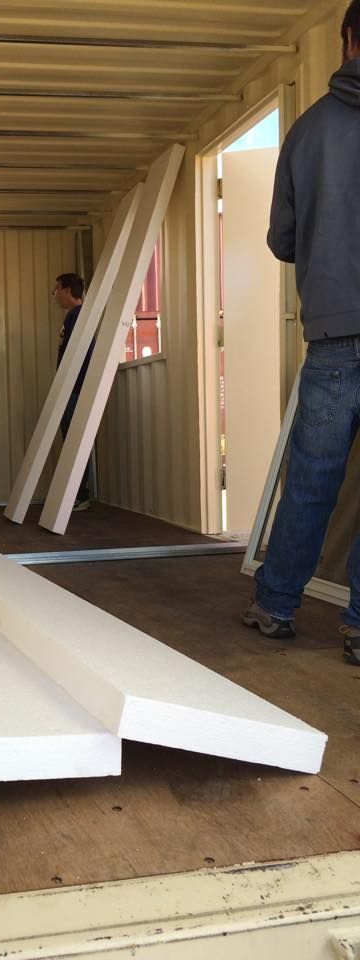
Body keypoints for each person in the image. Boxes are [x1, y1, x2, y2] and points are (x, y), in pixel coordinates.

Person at [241, 0, 360, 664]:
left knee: (312, 479)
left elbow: (283, 239)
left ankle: (276, 606)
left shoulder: (308, 132)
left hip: (335, 335)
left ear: (347, 40)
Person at [53, 272, 93, 511]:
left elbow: (80, 354)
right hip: (72, 388)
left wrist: (70, 386)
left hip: (75, 389)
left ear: (68, 290)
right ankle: (76, 493)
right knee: (71, 439)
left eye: (56, 289)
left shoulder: (77, 317)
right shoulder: (73, 316)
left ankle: (80, 493)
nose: (54, 294)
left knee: (74, 440)